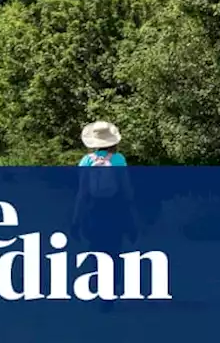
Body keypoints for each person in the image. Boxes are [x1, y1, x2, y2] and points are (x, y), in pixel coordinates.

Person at [71, 121, 137, 311]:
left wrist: (76, 220)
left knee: (96, 249)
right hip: (114, 210)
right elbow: (126, 189)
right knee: (114, 249)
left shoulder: (86, 161)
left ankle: (100, 285)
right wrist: (131, 217)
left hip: (93, 211)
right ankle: (111, 291)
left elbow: (82, 193)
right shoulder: (118, 160)